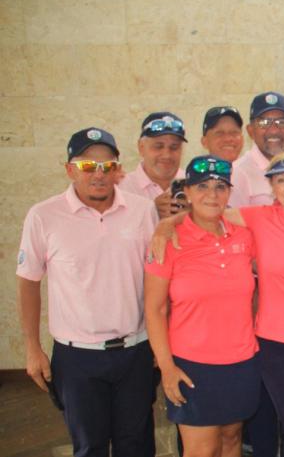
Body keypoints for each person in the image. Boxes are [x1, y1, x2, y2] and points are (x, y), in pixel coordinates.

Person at [153, 151, 284, 457]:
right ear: (272, 189)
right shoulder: (257, 218)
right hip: (276, 342)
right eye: (282, 180)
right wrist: (167, 223)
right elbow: (210, 210)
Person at [17, 127, 158, 457]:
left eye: (108, 166)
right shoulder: (43, 216)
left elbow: (156, 279)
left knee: (136, 446)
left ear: (118, 170)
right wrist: (32, 348)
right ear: (69, 169)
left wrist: (159, 342)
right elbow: (28, 282)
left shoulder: (142, 211)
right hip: (77, 358)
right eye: (86, 166)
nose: (98, 175)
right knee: (89, 448)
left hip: (135, 352)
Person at [145, 155, 259, 457]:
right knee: (201, 450)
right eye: (203, 187)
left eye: (221, 186)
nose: (212, 194)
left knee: (232, 438)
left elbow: (282, 217)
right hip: (192, 365)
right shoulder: (167, 242)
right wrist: (167, 368)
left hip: (241, 360)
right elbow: (154, 309)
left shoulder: (245, 236)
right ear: (188, 193)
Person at [230, 91, 284, 207]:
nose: (274, 130)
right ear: (250, 131)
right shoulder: (237, 173)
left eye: (281, 122)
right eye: (264, 123)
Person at [119, 111, 186, 218]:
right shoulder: (121, 189)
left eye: (174, 147)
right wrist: (150, 213)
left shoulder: (197, 186)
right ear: (141, 147)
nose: (166, 155)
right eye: (158, 146)